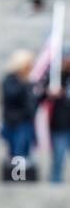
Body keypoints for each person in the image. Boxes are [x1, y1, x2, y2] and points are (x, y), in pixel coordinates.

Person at [0, 49, 40, 178]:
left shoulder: (28, 81)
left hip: (25, 121)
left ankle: (21, 177)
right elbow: (11, 95)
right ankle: (17, 177)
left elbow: (32, 102)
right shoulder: (10, 80)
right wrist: (26, 85)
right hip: (14, 122)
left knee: (24, 150)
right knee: (17, 151)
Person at [44, 55, 70, 184]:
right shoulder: (55, 76)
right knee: (58, 157)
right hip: (60, 124)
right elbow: (40, 96)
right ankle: (55, 181)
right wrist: (50, 93)